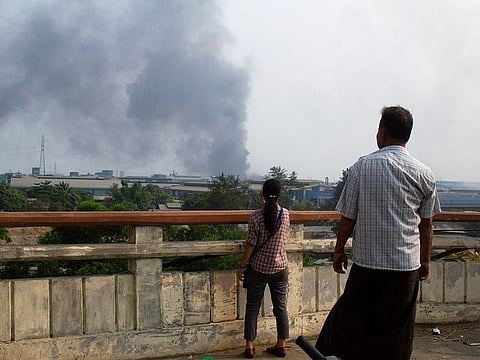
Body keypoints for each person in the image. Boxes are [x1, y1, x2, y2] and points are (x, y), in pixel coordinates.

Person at [315, 106, 441, 360]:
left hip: (367, 266)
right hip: (405, 268)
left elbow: (348, 216)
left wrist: (339, 250)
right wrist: (425, 260)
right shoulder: (425, 173)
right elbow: (426, 225)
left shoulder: (363, 166)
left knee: (349, 323)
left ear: (382, 133)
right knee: (396, 330)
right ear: (407, 135)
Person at [238, 178, 290, 358]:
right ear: (279, 195)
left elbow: (251, 243)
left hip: (259, 269)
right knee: (281, 307)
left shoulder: (256, 216)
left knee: (252, 306)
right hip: (280, 267)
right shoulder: (286, 214)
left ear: (263, 196)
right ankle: (281, 344)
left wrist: (243, 265)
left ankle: (250, 346)